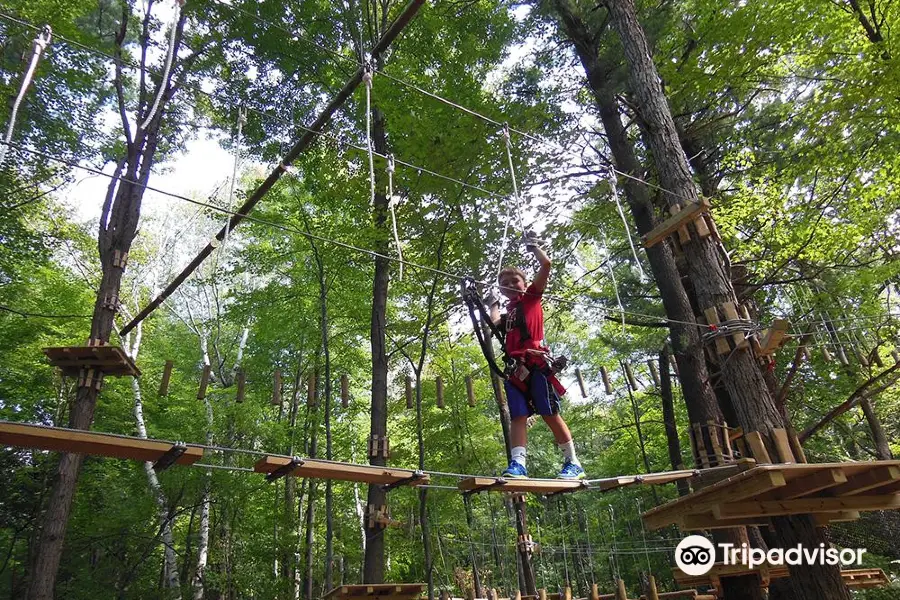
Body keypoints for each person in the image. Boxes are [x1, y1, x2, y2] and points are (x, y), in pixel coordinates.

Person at [487, 234, 585, 480]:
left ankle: (573, 462)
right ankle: (518, 464)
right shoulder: (509, 313)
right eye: (505, 282)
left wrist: (535, 249)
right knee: (518, 415)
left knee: (548, 411)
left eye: (515, 280)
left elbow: (546, 265)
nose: (510, 284)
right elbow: (495, 322)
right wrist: (492, 303)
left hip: (537, 365)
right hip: (515, 370)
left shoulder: (531, 298)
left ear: (524, 282)